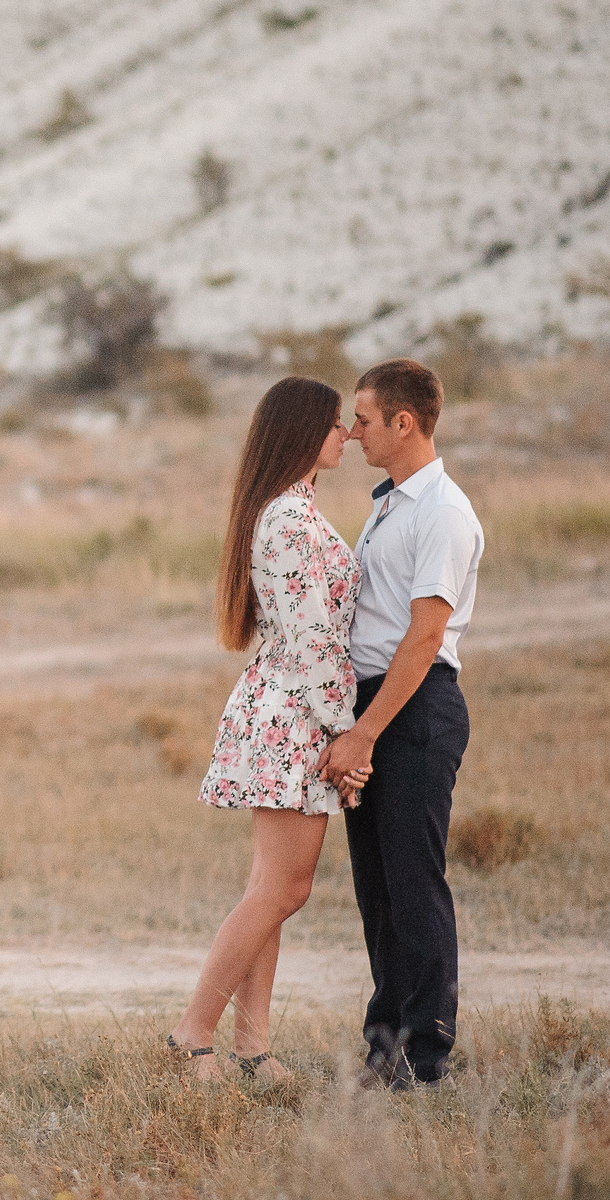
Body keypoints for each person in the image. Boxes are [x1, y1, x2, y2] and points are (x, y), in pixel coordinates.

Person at [167, 376, 365, 1083]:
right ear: (305, 432)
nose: (346, 433)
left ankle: (253, 1048)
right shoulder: (285, 518)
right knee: (283, 888)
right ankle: (193, 1032)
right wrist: (351, 734)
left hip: (292, 710)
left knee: (273, 886)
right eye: (336, 423)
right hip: (294, 714)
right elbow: (313, 639)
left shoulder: (295, 510)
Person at [316, 358, 484, 1088]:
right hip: (375, 702)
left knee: (414, 880)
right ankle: (384, 1045)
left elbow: (423, 636)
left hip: (412, 705)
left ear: (403, 422)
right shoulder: (390, 504)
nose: (353, 432)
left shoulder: (442, 511)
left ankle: (427, 1052)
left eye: (363, 418)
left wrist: (364, 732)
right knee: (377, 885)